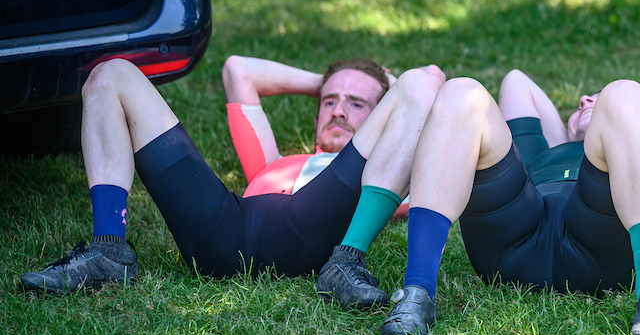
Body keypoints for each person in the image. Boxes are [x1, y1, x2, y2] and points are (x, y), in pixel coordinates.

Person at [20, 55, 445, 298]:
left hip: (314, 227)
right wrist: (329, 79)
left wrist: (391, 85)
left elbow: (424, 93)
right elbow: (237, 70)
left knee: (424, 80)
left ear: (383, 116)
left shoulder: (387, 173)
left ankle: (347, 262)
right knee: (109, 75)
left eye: (355, 104)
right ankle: (108, 250)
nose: (337, 109)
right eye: (329, 101)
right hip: (220, 229)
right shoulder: (273, 163)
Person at [377, 51, 640, 335]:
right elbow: (515, 81)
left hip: (605, 244)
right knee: (461, 91)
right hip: (513, 238)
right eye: (582, 102)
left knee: (626, 93)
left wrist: (631, 114)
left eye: (594, 98)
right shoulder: (542, 155)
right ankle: (416, 295)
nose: (586, 100)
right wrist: (564, 135)